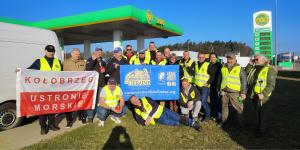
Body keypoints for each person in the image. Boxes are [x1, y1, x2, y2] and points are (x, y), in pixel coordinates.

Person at [27, 45, 62, 135]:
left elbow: (62, 75)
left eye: (53, 51)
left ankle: (51, 125)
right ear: (45, 51)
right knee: (43, 109)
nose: (51, 53)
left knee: (52, 109)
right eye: (49, 51)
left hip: (54, 90)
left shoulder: (58, 61)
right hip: (43, 90)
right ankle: (43, 127)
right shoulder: (39, 61)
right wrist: (20, 71)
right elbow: (29, 71)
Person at [245, 54, 277, 135]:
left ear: (263, 60)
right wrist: (250, 64)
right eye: (254, 59)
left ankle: (261, 131)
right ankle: (259, 126)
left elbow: (271, 84)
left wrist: (263, 94)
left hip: (262, 96)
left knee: (262, 113)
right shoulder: (254, 68)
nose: (255, 61)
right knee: (258, 112)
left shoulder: (270, 69)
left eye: (257, 59)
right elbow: (246, 72)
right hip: (253, 94)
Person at [128, 95, 201, 131]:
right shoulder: (136, 110)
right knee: (173, 123)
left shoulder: (145, 99)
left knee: (177, 117)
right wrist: (144, 123)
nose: (135, 101)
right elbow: (139, 120)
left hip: (163, 110)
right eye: (133, 101)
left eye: (135, 99)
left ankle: (193, 123)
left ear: (137, 97)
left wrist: (150, 116)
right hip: (158, 119)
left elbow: (156, 106)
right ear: (132, 103)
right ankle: (185, 124)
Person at [217, 52, 247, 127]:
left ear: (235, 59)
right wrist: (218, 89)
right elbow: (220, 79)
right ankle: (223, 121)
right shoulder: (223, 67)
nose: (229, 60)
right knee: (224, 107)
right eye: (228, 59)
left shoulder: (240, 68)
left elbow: (244, 81)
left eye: (231, 59)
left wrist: (243, 92)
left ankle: (241, 123)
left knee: (239, 108)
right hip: (224, 92)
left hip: (235, 93)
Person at [63, 48, 87, 127]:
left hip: (80, 87)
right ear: (72, 54)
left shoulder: (83, 62)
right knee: (68, 104)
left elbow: (87, 74)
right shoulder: (65, 63)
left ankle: (82, 117)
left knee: (81, 103)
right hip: (69, 88)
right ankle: (69, 120)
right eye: (76, 54)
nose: (78, 55)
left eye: (79, 54)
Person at [85, 47, 107, 123]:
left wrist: (105, 71)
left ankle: (99, 115)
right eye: (98, 52)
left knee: (100, 101)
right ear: (94, 52)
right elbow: (87, 69)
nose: (99, 53)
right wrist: (93, 60)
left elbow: (105, 72)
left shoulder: (103, 61)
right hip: (93, 85)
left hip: (101, 84)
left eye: (100, 52)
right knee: (92, 101)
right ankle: (90, 117)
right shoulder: (90, 59)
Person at [194, 52, 215, 121]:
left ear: (204, 58)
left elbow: (212, 75)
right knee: (198, 101)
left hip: (204, 87)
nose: (200, 58)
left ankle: (207, 116)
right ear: (197, 57)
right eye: (199, 57)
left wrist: (208, 83)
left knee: (203, 102)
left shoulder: (208, 64)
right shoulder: (196, 64)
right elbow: (196, 75)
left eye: (202, 57)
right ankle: (198, 114)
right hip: (197, 86)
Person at [209, 52, 222, 121]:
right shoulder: (209, 64)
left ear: (216, 58)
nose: (212, 58)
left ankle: (218, 115)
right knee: (212, 100)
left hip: (217, 85)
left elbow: (221, 76)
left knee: (217, 101)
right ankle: (213, 114)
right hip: (211, 85)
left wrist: (219, 86)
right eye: (211, 57)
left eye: (213, 57)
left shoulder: (219, 65)